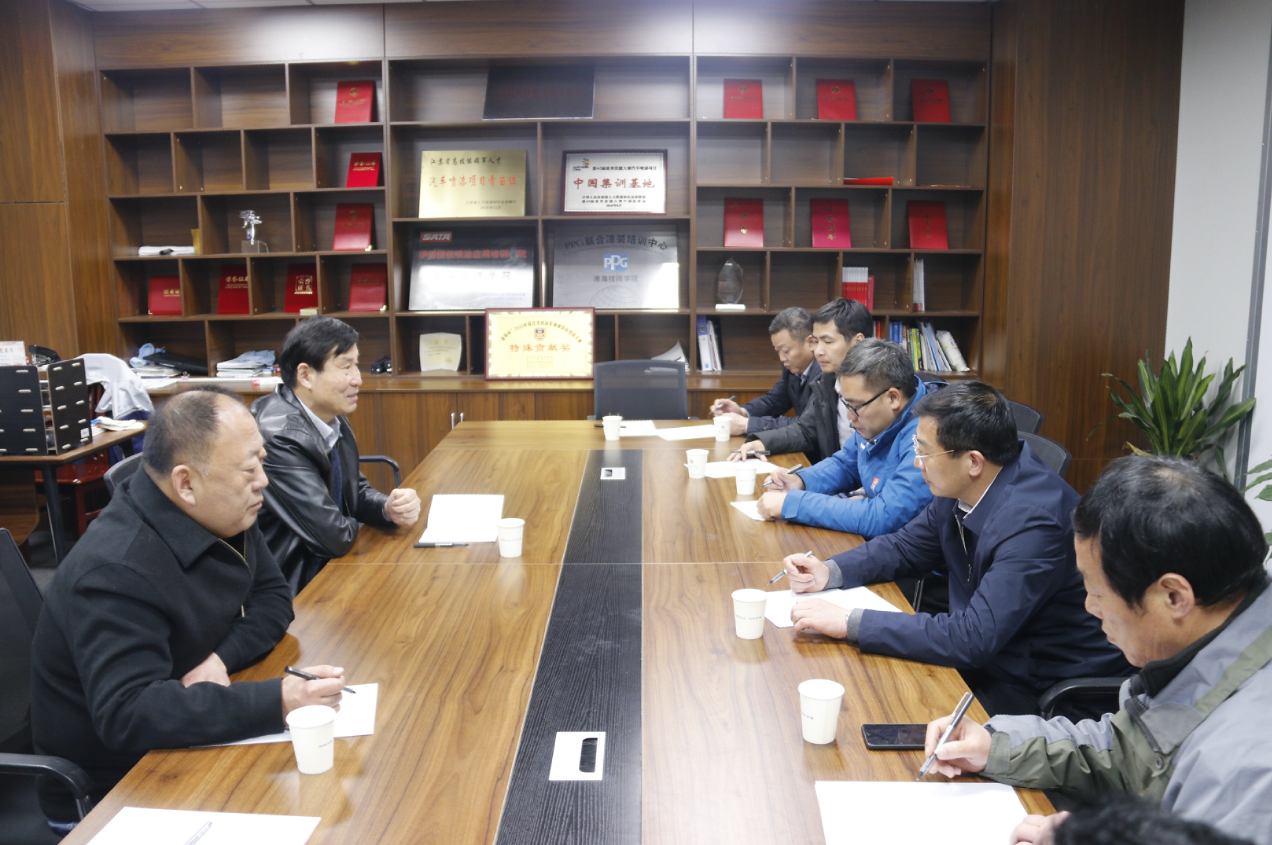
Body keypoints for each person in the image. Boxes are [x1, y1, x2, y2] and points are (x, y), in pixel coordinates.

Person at [30, 387, 345, 827]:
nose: (263, 480)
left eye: (262, 460)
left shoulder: (221, 509)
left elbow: (274, 598)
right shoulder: (114, 570)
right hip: (112, 794)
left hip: (184, 738)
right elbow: (128, 713)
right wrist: (278, 700)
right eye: (249, 469)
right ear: (185, 483)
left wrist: (220, 658)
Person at [920, 456, 1272, 845]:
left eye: (1098, 593)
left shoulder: (1245, 761)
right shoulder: (1211, 652)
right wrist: (996, 746)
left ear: (1174, 596)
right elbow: (1125, 751)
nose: (1090, 607)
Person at [783, 382, 1131, 718]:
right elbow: (906, 547)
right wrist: (830, 571)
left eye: (924, 451)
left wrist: (849, 621)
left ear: (973, 462)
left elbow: (973, 638)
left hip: (1039, 684)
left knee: (883, 705)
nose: (917, 462)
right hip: (991, 654)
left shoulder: (1034, 523)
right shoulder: (963, 484)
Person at [253, 317, 421, 594]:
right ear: (305, 375)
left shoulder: (329, 415)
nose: (358, 379)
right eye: (346, 367)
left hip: (330, 568)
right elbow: (332, 537)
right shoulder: (279, 436)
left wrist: (387, 507)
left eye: (356, 365)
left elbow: (353, 492)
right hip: (297, 587)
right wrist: (355, 518)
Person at [755, 339, 939, 538]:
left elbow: (884, 517)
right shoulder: (877, 418)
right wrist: (801, 481)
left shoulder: (928, 436)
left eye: (856, 407)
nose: (850, 417)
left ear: (893, 398)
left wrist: (795, 504)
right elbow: (846, 464)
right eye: (847, 405)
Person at [731, 297, 873, 465]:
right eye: (817, 342)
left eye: (827, 342)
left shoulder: (883, 388)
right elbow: (806, 430)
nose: (818, 351)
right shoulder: (828, 381)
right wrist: (762, 443)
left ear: (858, 342)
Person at [710, 307, 817, 436]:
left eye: (786, 351)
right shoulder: (793, 366)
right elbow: (775, 401)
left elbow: (808, 424)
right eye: (778, 352)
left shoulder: (826, 373)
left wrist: (747, 425)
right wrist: (742, 412)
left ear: (811, 342)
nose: (782, 358)